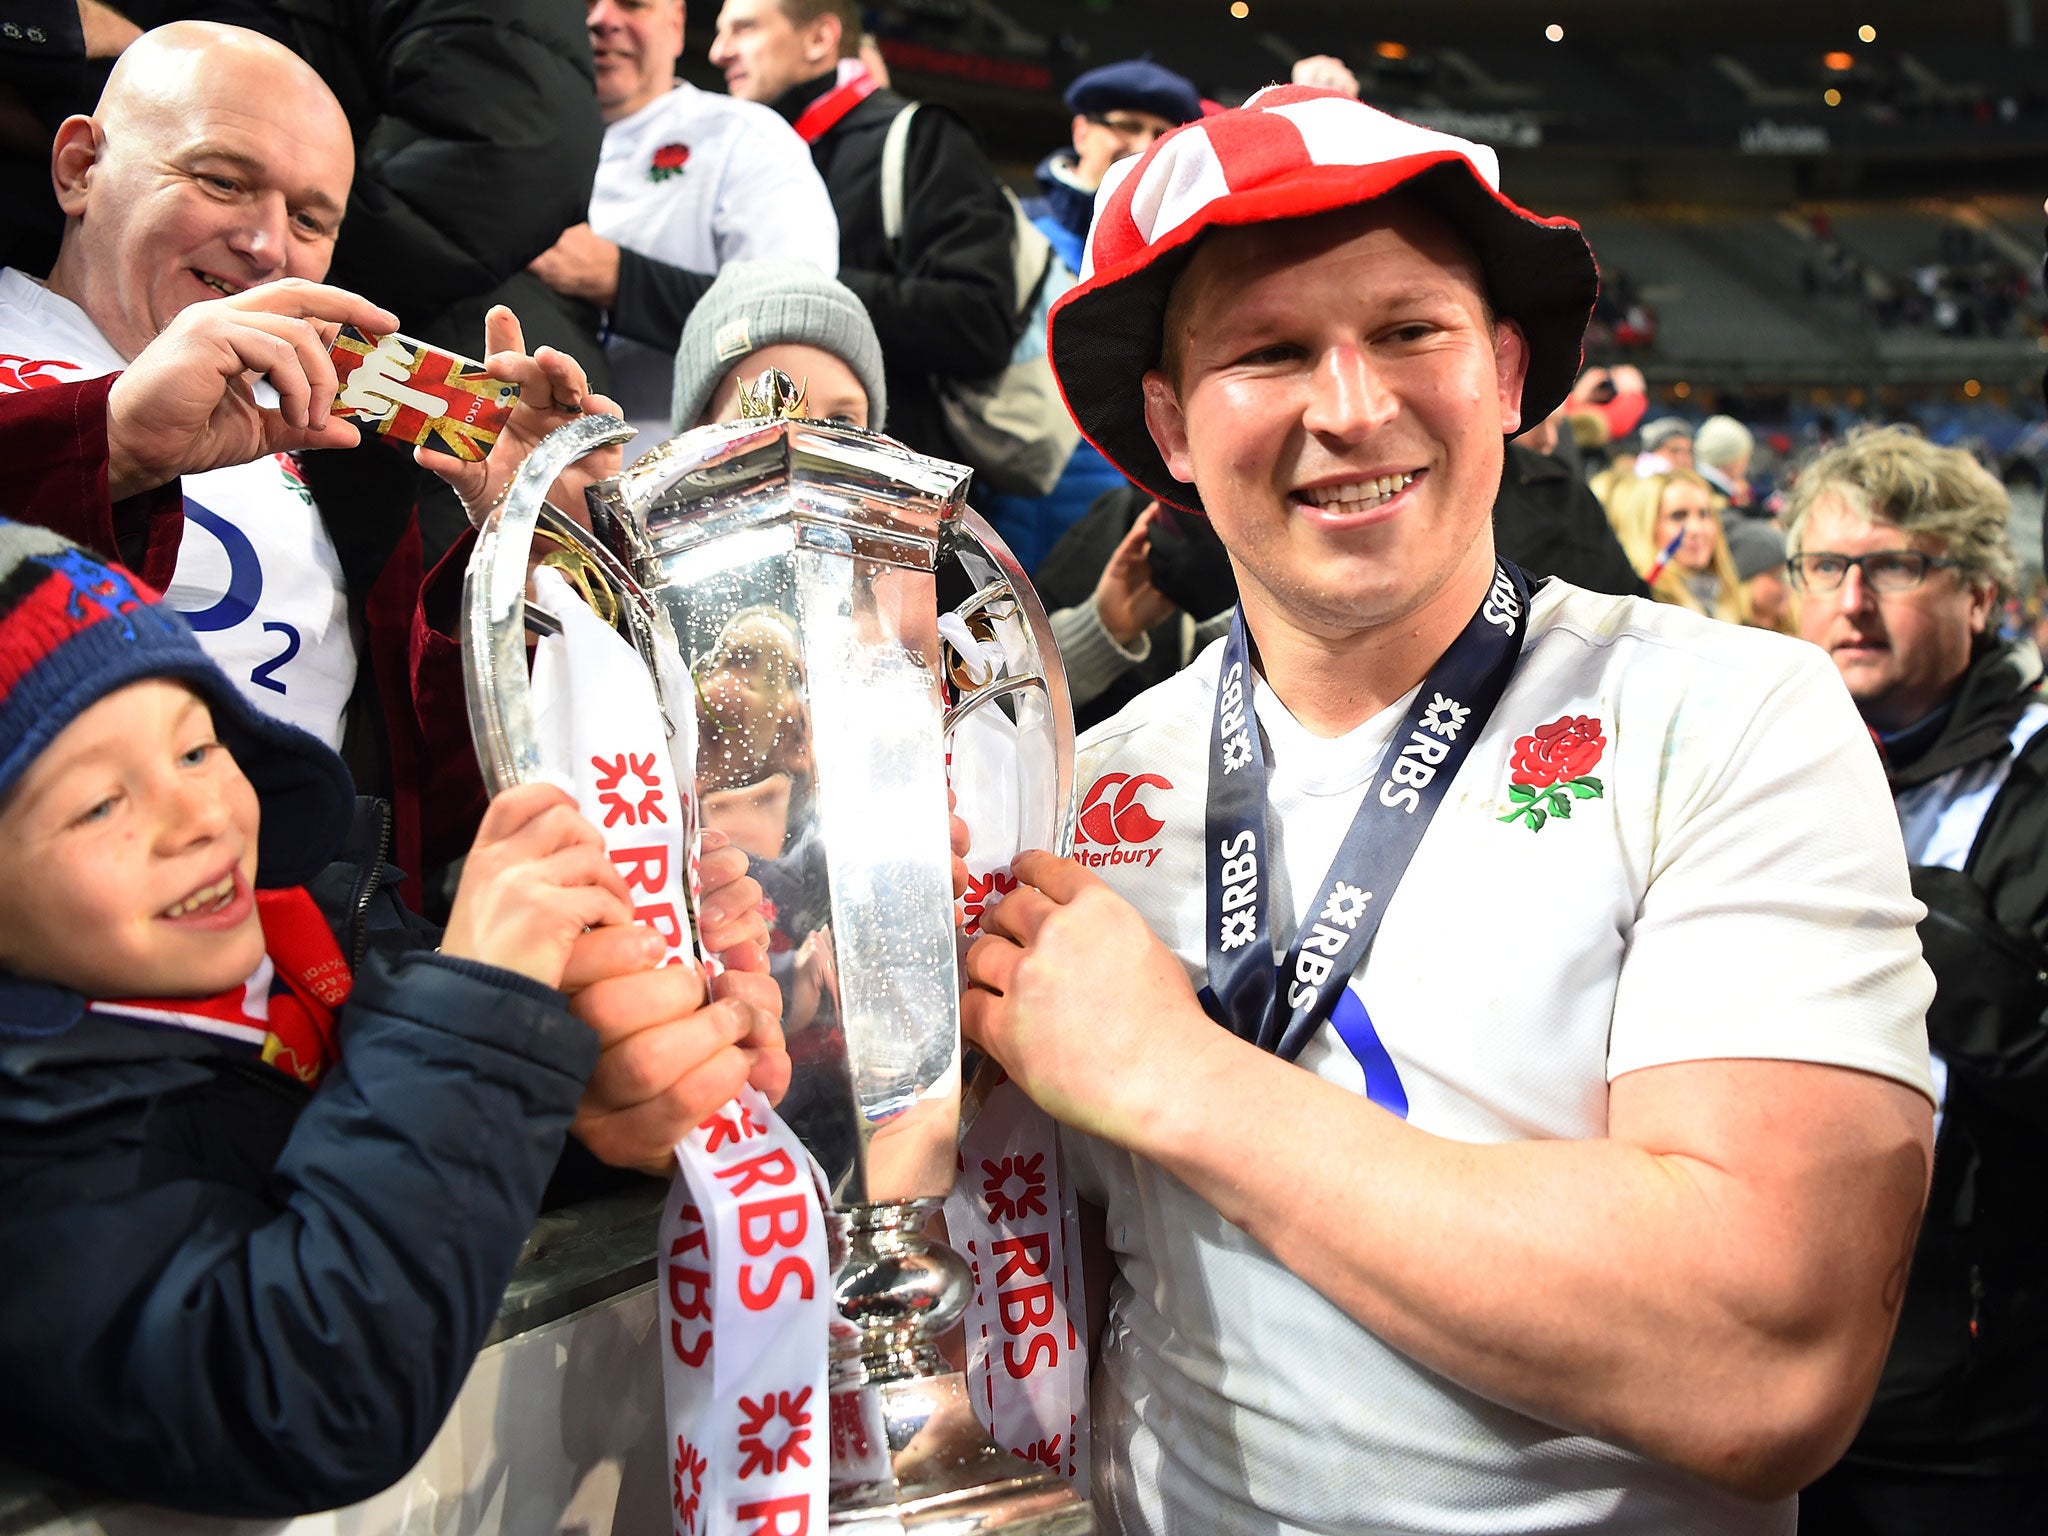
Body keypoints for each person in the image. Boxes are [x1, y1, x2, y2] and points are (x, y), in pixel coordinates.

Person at [960, 87, 1935, 1534]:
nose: (1350, 409)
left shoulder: (1729, 717)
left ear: (1506, 368)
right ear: (1167, 426)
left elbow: (1767, 1362)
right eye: (1268, 351)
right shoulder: (1088, 790)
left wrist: (1182, 1076)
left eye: (1409, 332)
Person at [0, 521, 785, 1516]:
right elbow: (304, 1393)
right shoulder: (31, 1156)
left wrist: (612, 1074)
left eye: (198, 746)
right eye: (99, 806)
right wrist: (476, 1008)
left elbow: (417, 1181)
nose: (196, 815)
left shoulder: (332, 922)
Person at [0, 20, 629, 905]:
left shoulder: (347, 452)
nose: (265, 246)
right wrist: (110, 447)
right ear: (78, 168)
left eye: (308, 218)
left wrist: (520, 557)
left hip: (315, 976)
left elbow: (438, 809)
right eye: (222, 181)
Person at [1787, 427, 2048, 1535]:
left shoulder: (2032, 778)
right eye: (1824, 568)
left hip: (1966, 1394)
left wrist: (1910, 924)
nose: (1850, 601)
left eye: (1893, 567)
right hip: (1752, 1335)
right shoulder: (1749, 764)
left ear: (1981, 597)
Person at [707, 0, 1019, 466]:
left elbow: (981, 323)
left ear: (819, 39)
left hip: (892, 500)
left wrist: (802, 290)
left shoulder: (921, 137)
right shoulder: (745, 159)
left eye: (744, 29)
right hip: (755, 478)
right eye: (719, 32)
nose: (718, 52)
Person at [528, 0, 838, 451]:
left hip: (687, 477)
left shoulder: (745, 136)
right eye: (586, 4)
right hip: (528, 471)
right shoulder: (515, 140)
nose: (602, 19)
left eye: (633, 4)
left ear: (676, 26)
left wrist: (618, 279)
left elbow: (794, 322)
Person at [1022, 59, 1200, 276]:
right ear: (1082, 133)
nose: (1144, 147)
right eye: (1127, 126)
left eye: (1162, 135)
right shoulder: (1018, 225)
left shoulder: (1177, 256)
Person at [1604, 466, 1751, 623]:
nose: (1696, 529)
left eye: (1704, 514)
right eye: (1678, 516)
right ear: (1646, 526)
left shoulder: (1726, 597)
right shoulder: (1640, 605)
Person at [1696, 413, 1756, 513]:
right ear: (1732, 461)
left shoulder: (1692, 480)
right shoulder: (1717, 495)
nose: (1745, 466)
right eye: (1744, 458)